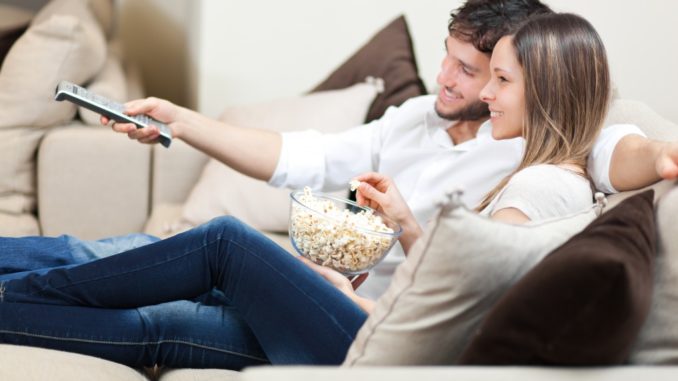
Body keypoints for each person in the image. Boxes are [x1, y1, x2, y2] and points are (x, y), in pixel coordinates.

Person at [2, 11, 615, 368]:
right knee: (138, 284)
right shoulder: (428, 120)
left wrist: (387, 250)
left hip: (373, 333)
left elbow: (461, 309)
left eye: (492, 77)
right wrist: (181, 121)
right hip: (355, 309)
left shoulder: (543, 178)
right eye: (450, 61)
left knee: (221, 245)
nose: (464, 87)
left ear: (547, 90)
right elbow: (305, 157)